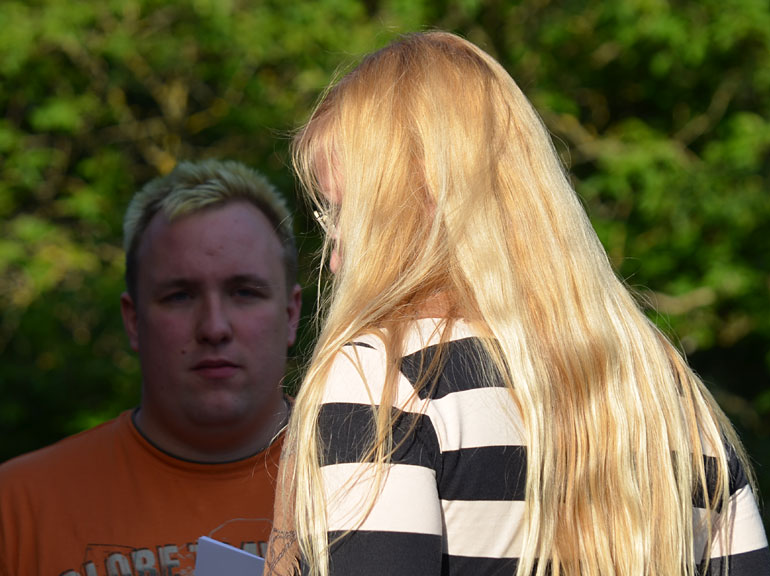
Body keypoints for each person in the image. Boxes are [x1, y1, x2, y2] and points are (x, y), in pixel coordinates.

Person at [265, 31, 769, 576]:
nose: (334, 256)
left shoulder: (384, 381)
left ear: (410, 204)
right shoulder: (673, 396)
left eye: (342, 213)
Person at [0, 159, 302, 576]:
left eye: (245, 292)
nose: (214, 327)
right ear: (133, 321)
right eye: (180, 296)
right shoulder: (17, 509)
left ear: (291, 314)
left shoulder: (373, 484)